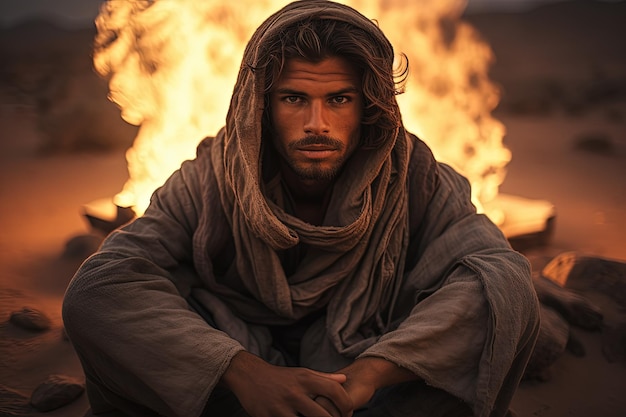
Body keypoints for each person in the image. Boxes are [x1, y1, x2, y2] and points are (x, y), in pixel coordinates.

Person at [62, 1, 540, 416]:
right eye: (294, 99)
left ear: (369, 105)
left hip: (370, 357)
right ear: (262, 105)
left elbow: (499, 272)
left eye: (339, 100)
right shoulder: (211, 175)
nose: (317, 123)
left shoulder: (414, 175)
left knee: (506, 289)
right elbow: (103, 283)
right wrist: (244, 373)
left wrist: (369, 375)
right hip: (238, 349)